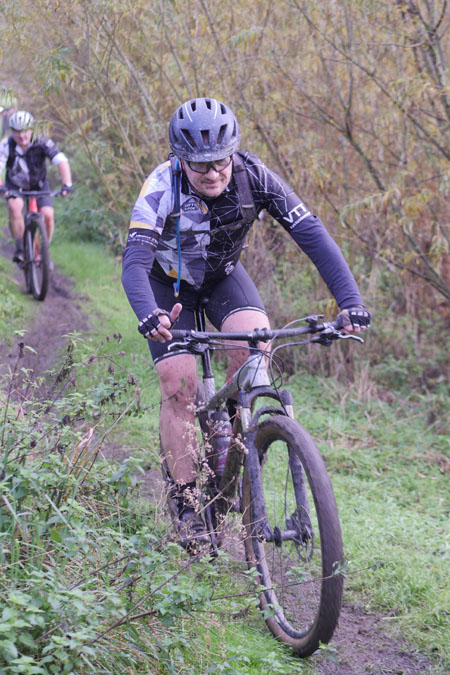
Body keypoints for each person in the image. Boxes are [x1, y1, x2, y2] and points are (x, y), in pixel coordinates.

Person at [122, 97, 371, 549]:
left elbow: (312, 234)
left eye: (221, 161)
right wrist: (148, 313)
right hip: (167, 287)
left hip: (222, 278)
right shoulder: (159, 186)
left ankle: (233, 445)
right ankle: (186, 500)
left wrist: (350, 302)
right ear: (179, 159)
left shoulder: (254, 175)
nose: (213, 173)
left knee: (256, 351)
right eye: (200, 166)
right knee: (179, 385)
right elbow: (135, 261)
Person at [0, 110, 73, 263]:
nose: (22, 135)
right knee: (14, 207)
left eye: (25, 130)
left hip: (39, 184)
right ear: (12, 131)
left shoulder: (42, 141)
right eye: (17, 131)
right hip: (15, 185)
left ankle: (44, 249)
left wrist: (67, 184)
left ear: (32, 129)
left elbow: (61, 161)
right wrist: (1, 187)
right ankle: (20, 248)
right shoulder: (6, 145)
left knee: (48, 214)